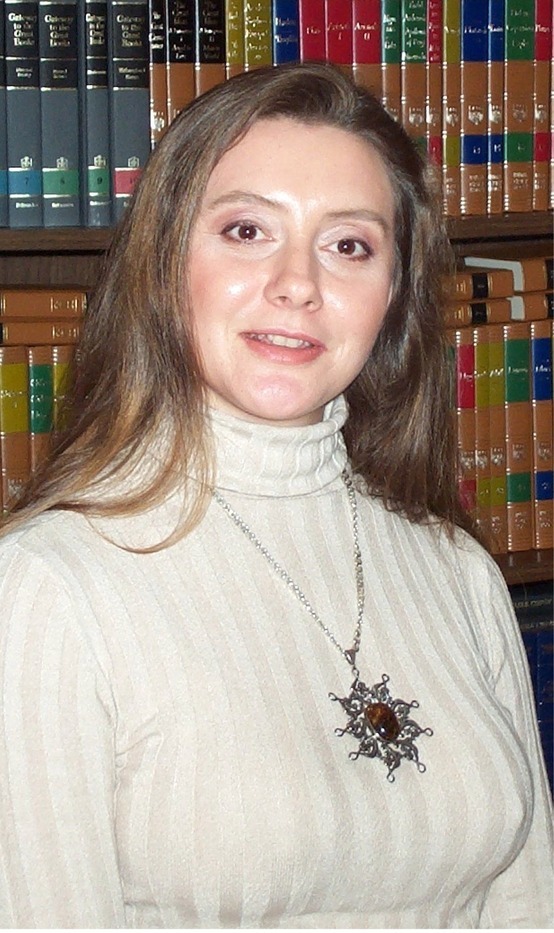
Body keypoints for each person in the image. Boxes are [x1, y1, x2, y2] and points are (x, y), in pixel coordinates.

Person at [0, 61, 552, 929]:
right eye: (247, 229)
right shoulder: (49, 589)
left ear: (393, 294)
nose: (299, 282)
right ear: (164, 261)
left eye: (349, 245)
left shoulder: (458, 572)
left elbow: (526, 903)